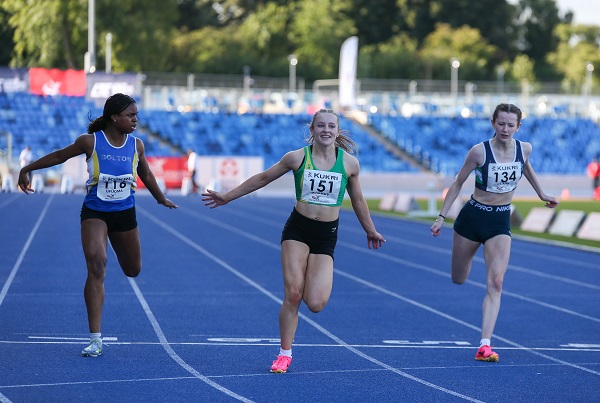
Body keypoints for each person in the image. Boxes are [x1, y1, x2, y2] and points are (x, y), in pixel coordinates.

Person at [202, 109, 386, 373]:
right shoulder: (297, 157)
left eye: (330, 126)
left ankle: (290, 342)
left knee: (316, 303)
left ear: (337, 130)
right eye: (320, 125)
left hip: (326, 236)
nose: (325, 130)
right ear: (311, 130)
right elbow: (263, 178)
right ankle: (284, 354)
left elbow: (358, 200)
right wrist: (228, 196)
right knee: (294, 294)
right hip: (298, 230)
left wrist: (370, 229)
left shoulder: (349, 164)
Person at [17, 93, 178, 357]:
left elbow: (145, 173)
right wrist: (27, 169)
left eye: (136, 115)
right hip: (95, 213)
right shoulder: (90, 142)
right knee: (96, 263)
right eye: (131, 115)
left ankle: (114, 253)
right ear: (114, 117)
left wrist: (161, 199)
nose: (136, 119)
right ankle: (95, 338)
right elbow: (59, 156)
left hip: (125, 214)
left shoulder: (136, 145)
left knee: (133, 269)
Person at [430, 103, 559, 362]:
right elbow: (457, 184)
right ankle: (462, 265)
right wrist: (441, 216)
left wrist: (541, 193)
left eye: (511, 125)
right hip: (471, 219)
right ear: (493, 123)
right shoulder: (479, 152)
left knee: (497, 282)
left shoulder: (525, 149)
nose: (505, 129)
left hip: (500, 222)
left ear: (518, 127)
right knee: (459, 278)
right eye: (501, 123)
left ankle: (484, 344)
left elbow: (526, 166)